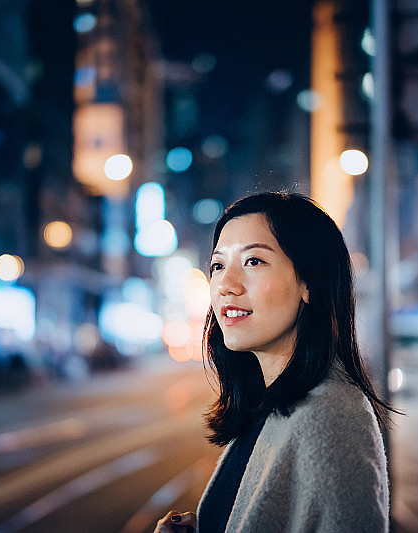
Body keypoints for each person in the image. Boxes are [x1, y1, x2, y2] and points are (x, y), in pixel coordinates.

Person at [155, 192, 396, 533]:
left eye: (253, 261)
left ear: (308, 283)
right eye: (218, 265)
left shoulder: (330, 413)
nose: (226, 285)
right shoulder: (270, 404)